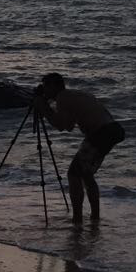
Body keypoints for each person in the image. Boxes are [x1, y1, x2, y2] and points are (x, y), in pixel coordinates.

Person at [32, 72, 125, 225]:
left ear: (55, 86)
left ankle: (78, 220)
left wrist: (43, 107)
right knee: (86, 174)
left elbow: (61, 126)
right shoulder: (71, 95)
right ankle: (94, 218)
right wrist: (47, 107)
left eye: (46, 87)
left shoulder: (62, 97)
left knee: (74, 174)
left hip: (100, 133)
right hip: (112, 130)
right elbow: (68, 126)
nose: (45, 91)